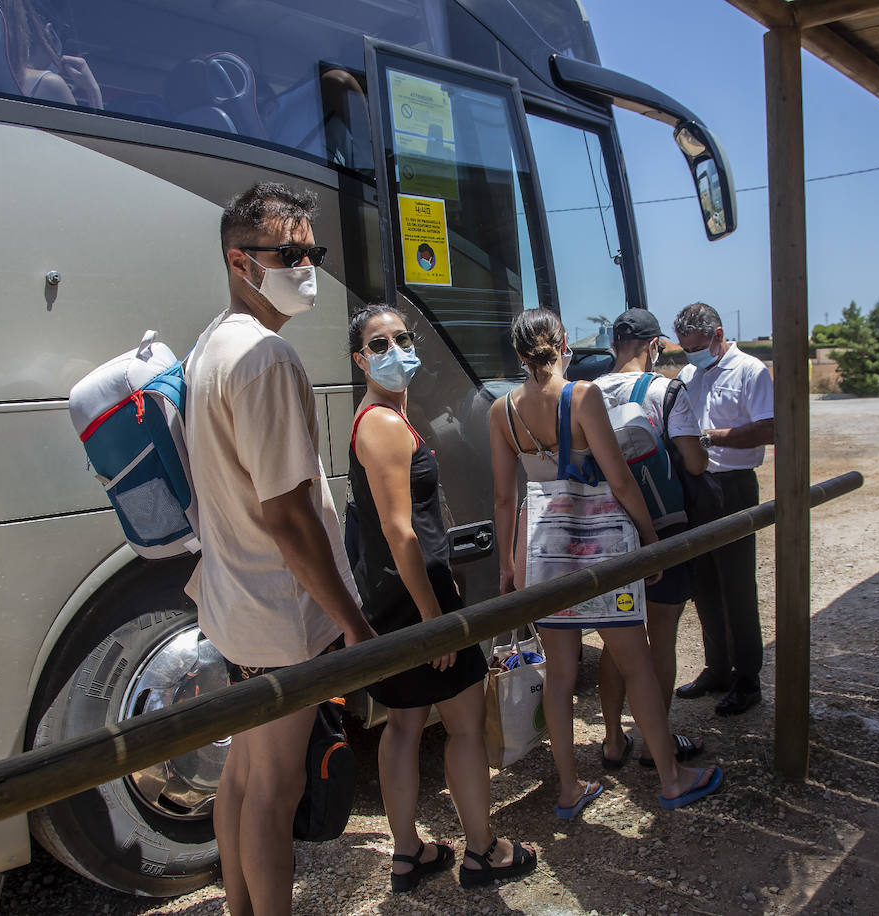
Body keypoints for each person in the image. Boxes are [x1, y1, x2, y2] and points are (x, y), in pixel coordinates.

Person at [184, 182, 378, 916]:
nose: (307, 268)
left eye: (312, 253)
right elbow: (291, 519)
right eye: (289, 254)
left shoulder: (212, 343)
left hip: (236, 603)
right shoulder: (266, 358)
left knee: (242, 774)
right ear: (241, 261)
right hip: (277, 612)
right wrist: (356, 631)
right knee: (274, 788)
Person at [490, 309, 722, 819]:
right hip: (601, 544)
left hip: (543, 548)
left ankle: (569, 787)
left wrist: (509, 566)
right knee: (635, 663)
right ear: (564, 342)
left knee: (560, 675)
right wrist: (648, 536)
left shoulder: (501, 410)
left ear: (519, 352)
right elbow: (619, 479)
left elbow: (505, 500)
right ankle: (670, 778)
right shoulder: (582, 396)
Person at [346, 304, 536, 893]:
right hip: (417, 602)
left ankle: (409, 854)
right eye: (380, 344)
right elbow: (401, 531)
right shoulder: (379, 422)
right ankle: (483, 850)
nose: (396, 350)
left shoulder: (390, 418)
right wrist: (434, 618)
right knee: (462, 725)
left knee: (403, 726)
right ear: (360, 359)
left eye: (403, 338)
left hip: (400, 596)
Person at [591, 309, 708, 769]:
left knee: (617, 641)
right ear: (652, 344)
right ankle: (657, 740)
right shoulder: (666, 391)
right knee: (661, 638)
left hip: (605, 530)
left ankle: (612, 740)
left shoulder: (584, 395)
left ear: (614, 344)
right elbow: (694, 464)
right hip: (663, 528)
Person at [671, 302, 774, 716]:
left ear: (717, 335)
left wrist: (711, 439)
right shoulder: (688, 375)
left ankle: (747, 679)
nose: (690, 355)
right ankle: (717, 669)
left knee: (736, 587)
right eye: (684, 349)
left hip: (733, 488)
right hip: (695, 487)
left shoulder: (751, 370)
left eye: (695, 346)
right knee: (705, 585)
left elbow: (770, 428)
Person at [4, 0, 102, 107]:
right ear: (50, 33)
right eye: (64, 37)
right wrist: (93, 90)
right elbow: (94, 124)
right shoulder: (48, 83)